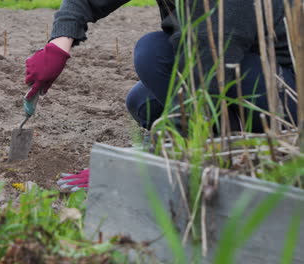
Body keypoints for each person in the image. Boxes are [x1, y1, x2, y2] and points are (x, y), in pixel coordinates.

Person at [24, 0, 297, 192]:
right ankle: (216, 135)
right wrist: (58, 44)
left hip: (288, 97)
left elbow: (209, 73)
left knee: (153, 52)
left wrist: (139, 165)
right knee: (143, 97)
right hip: (226, 68)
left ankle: (216, 145)